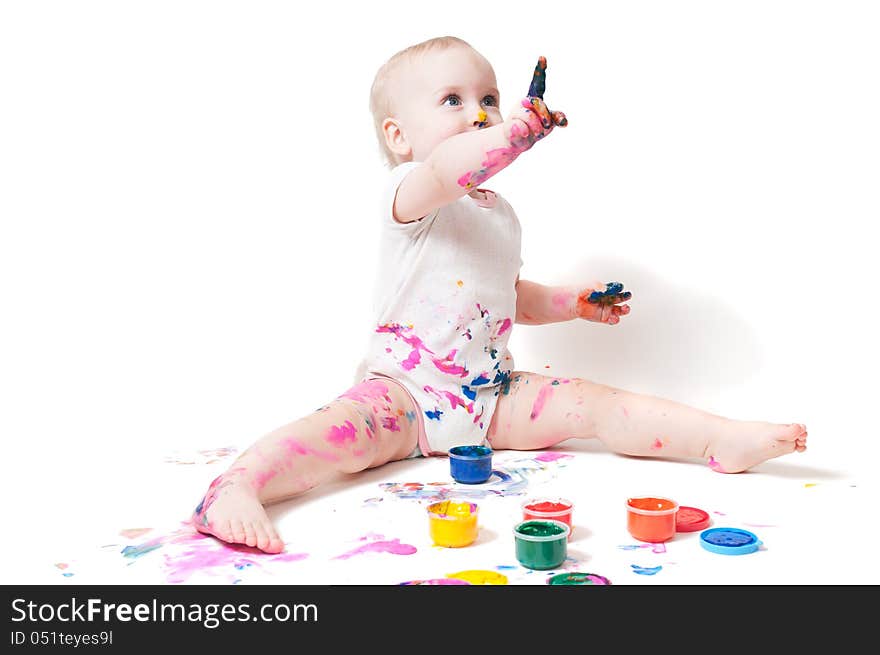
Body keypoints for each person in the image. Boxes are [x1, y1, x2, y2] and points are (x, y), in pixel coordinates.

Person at [191, 35, 807, 554]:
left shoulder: (498, 213)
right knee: (327, 440)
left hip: (491, 398)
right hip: (402, 397)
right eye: (452, 100)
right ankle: (238, 485)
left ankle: (716, 439)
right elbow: (450, 167)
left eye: (487, 97)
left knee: (595, 403)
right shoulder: (411, 192)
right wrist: (510, 135)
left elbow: (507, 297)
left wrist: (572, 303)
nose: (478, 110)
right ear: (399, 135)